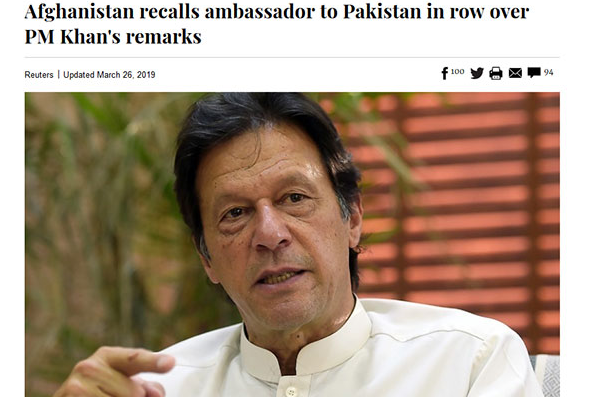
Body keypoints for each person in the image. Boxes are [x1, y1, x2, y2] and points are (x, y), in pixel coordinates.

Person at [55, 93, 543, 397]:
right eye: (235, 214)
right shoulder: (156, 388)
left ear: (352, 218)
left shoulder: (469, 361)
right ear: (206, 258)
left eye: (294, 198)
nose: (270, 234)